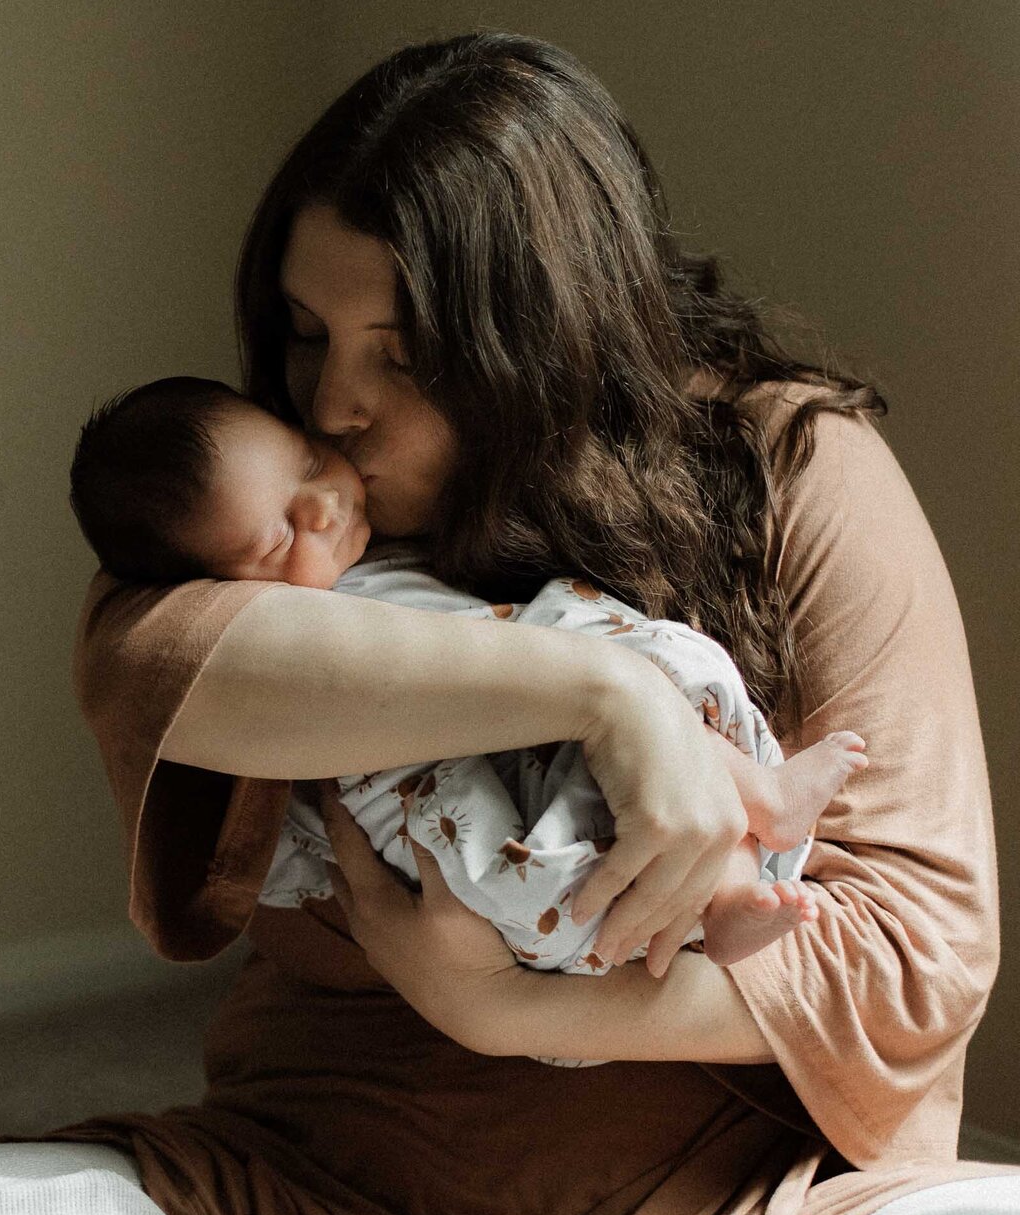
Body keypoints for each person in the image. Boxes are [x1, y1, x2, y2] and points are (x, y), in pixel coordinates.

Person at [0, 31, 1016, 1215]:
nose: (332, 404)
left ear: (553, 343)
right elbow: (161, 672)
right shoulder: (273, 521)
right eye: (309, 336)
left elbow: (921, 958)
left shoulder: (791, 469)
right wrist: (605, 697)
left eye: (407, 355)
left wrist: (517, 1011)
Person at [68, 376, 869, 989]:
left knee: (662, 729)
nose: (320, 505)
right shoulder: (288, 628)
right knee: (591, 831)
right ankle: (739, 850)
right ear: (213, 586)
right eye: (278, 532)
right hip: (453, 802)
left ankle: (738, 875)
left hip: (555, 736)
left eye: (308, 463)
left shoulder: (409, 545)